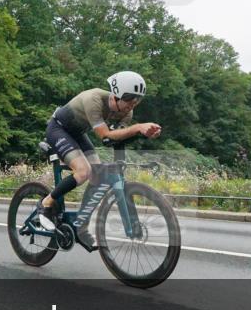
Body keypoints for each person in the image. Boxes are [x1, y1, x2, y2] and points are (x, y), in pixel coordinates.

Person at [36, 71, 162, 248]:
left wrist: (143, 134)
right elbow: (105, 135)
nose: (132, 105)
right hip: (58, 129)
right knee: (83, 172)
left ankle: (81, 226)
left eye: (136, 101)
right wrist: (137, 128)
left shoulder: (127, 113)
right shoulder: (94, 99)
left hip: (78, 133)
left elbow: (117, 139)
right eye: (129, 100)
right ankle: (46, 203)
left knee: (98, 175)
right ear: (116, 94)